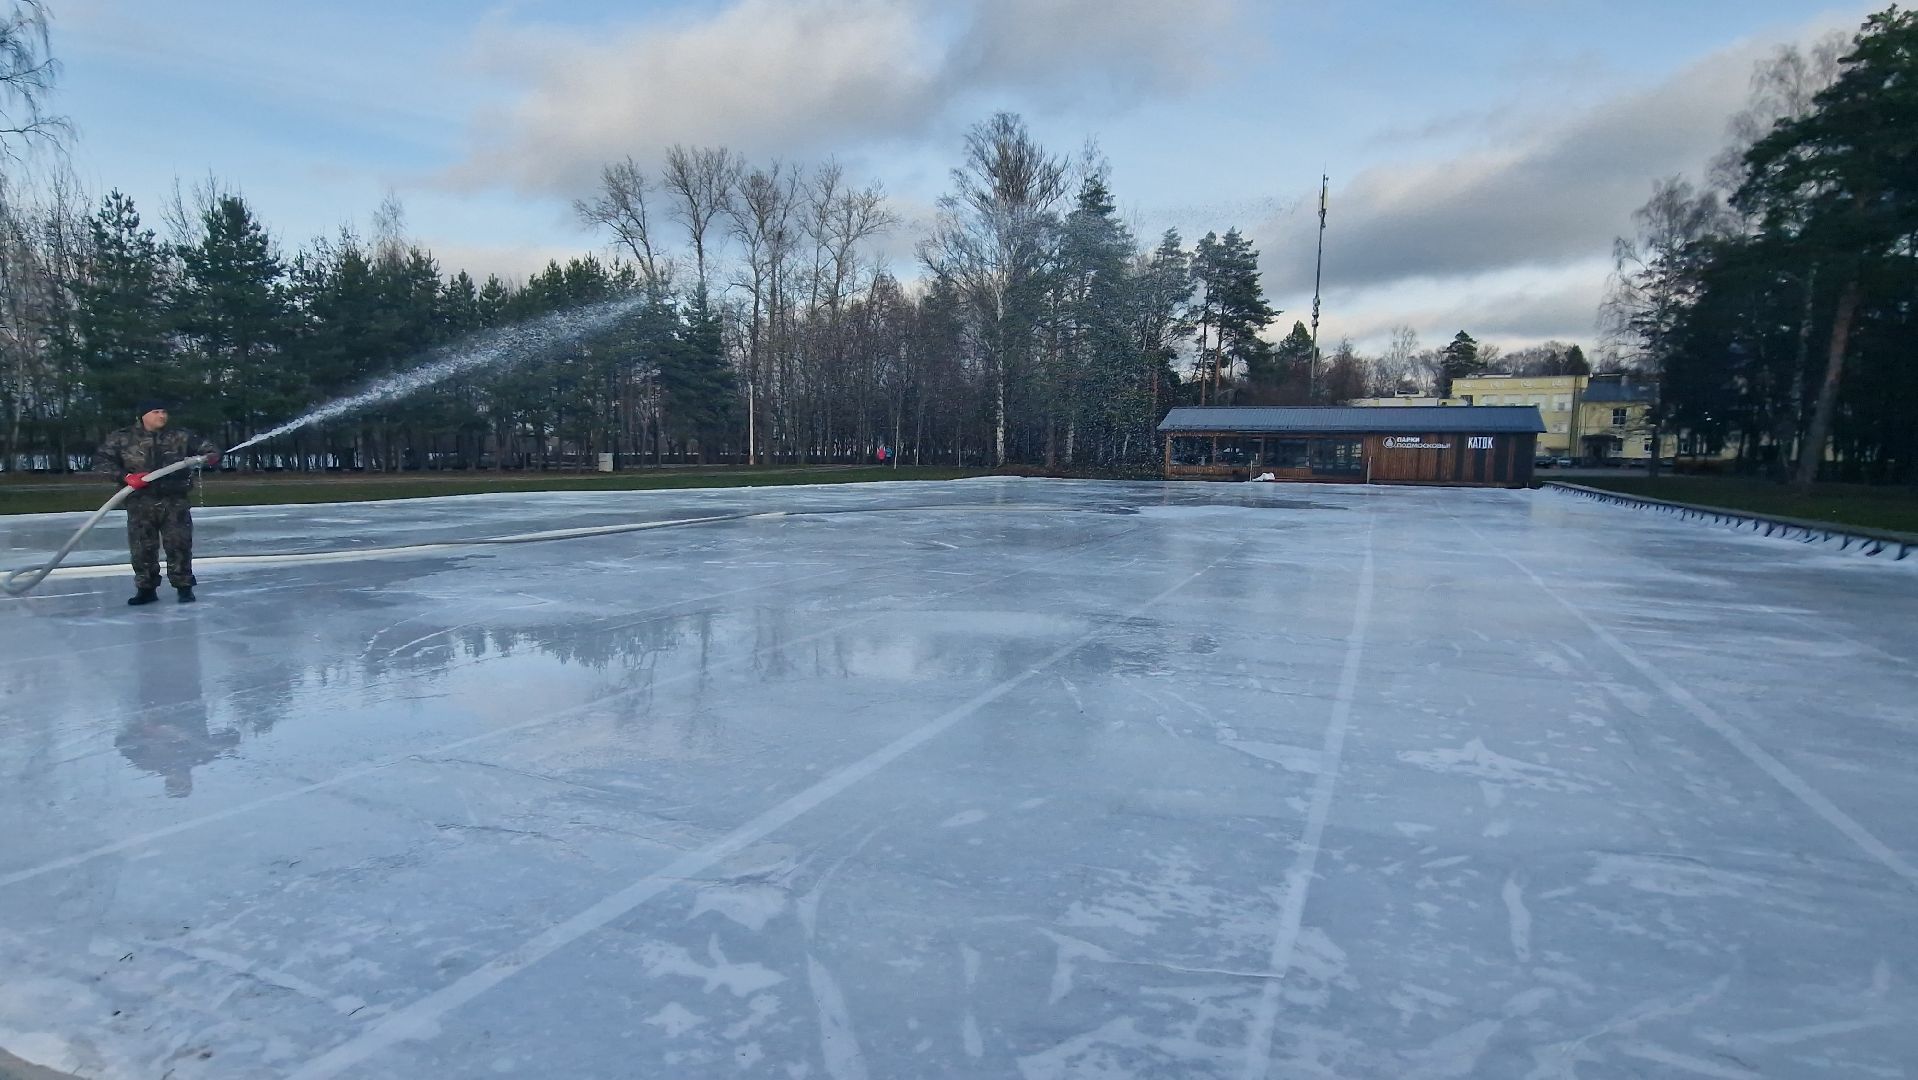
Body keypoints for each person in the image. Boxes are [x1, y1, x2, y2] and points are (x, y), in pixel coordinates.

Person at [95, 400, 220, 605]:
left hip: (174, 500)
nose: (162, 416)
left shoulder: (181, 436)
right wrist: (125, 476)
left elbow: (210, 450)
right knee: (142, 547)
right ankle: (146, 589)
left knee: (179, 544)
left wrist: (211, 458)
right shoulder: (122, 438)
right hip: (140, 501)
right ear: (143, 415)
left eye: (164, 411)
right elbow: (101, 461)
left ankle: (184, 587)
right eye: (156, 412)